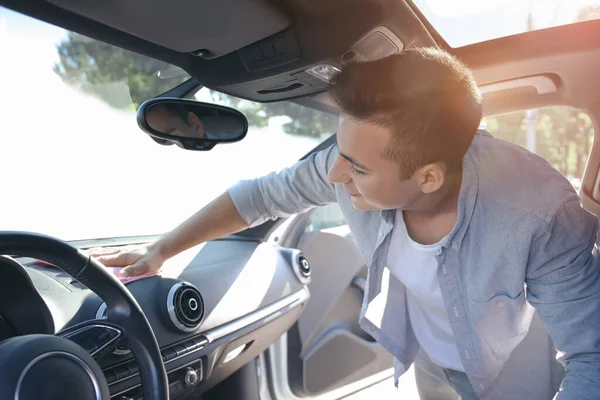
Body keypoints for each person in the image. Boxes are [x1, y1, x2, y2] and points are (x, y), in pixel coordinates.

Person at [92, 47, 600, 399]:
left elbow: (592, 355)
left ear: (426, 177)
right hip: (423, 359)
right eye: (340, 151)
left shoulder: (540, 213)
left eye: (357, 167)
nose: (335, 175)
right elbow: (262, 195)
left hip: (513, 379)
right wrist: (160, 252)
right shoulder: (347, 167)